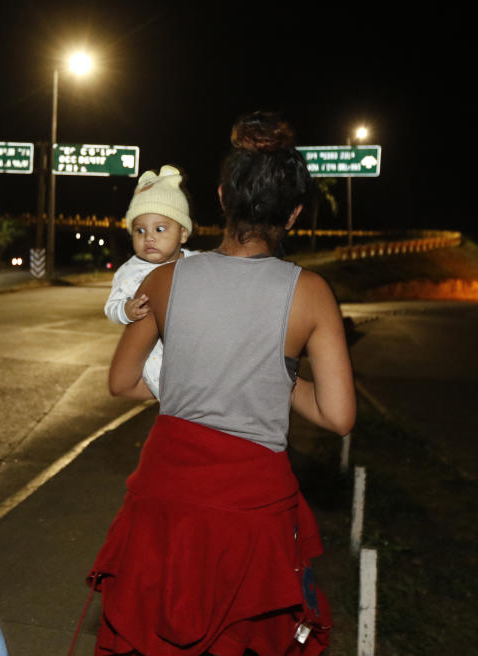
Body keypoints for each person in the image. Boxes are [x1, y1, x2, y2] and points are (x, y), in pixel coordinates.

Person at [89, 112, 355, 656]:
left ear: (221, 196)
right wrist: (267, 374)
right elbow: (337, 415)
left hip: (165, 502)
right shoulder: (310, 292)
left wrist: (193, 379)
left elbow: (122, 381)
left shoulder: (164, 279)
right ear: (296, 212)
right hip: (250, 516)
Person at [103, 165, 196, 398]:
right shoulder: (130, 272)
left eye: (160, 228)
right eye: (140, 231)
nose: (149, 237)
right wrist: (125, 309)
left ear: (183, 234)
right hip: (155, 359)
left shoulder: (199, 263)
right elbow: (111, 306)